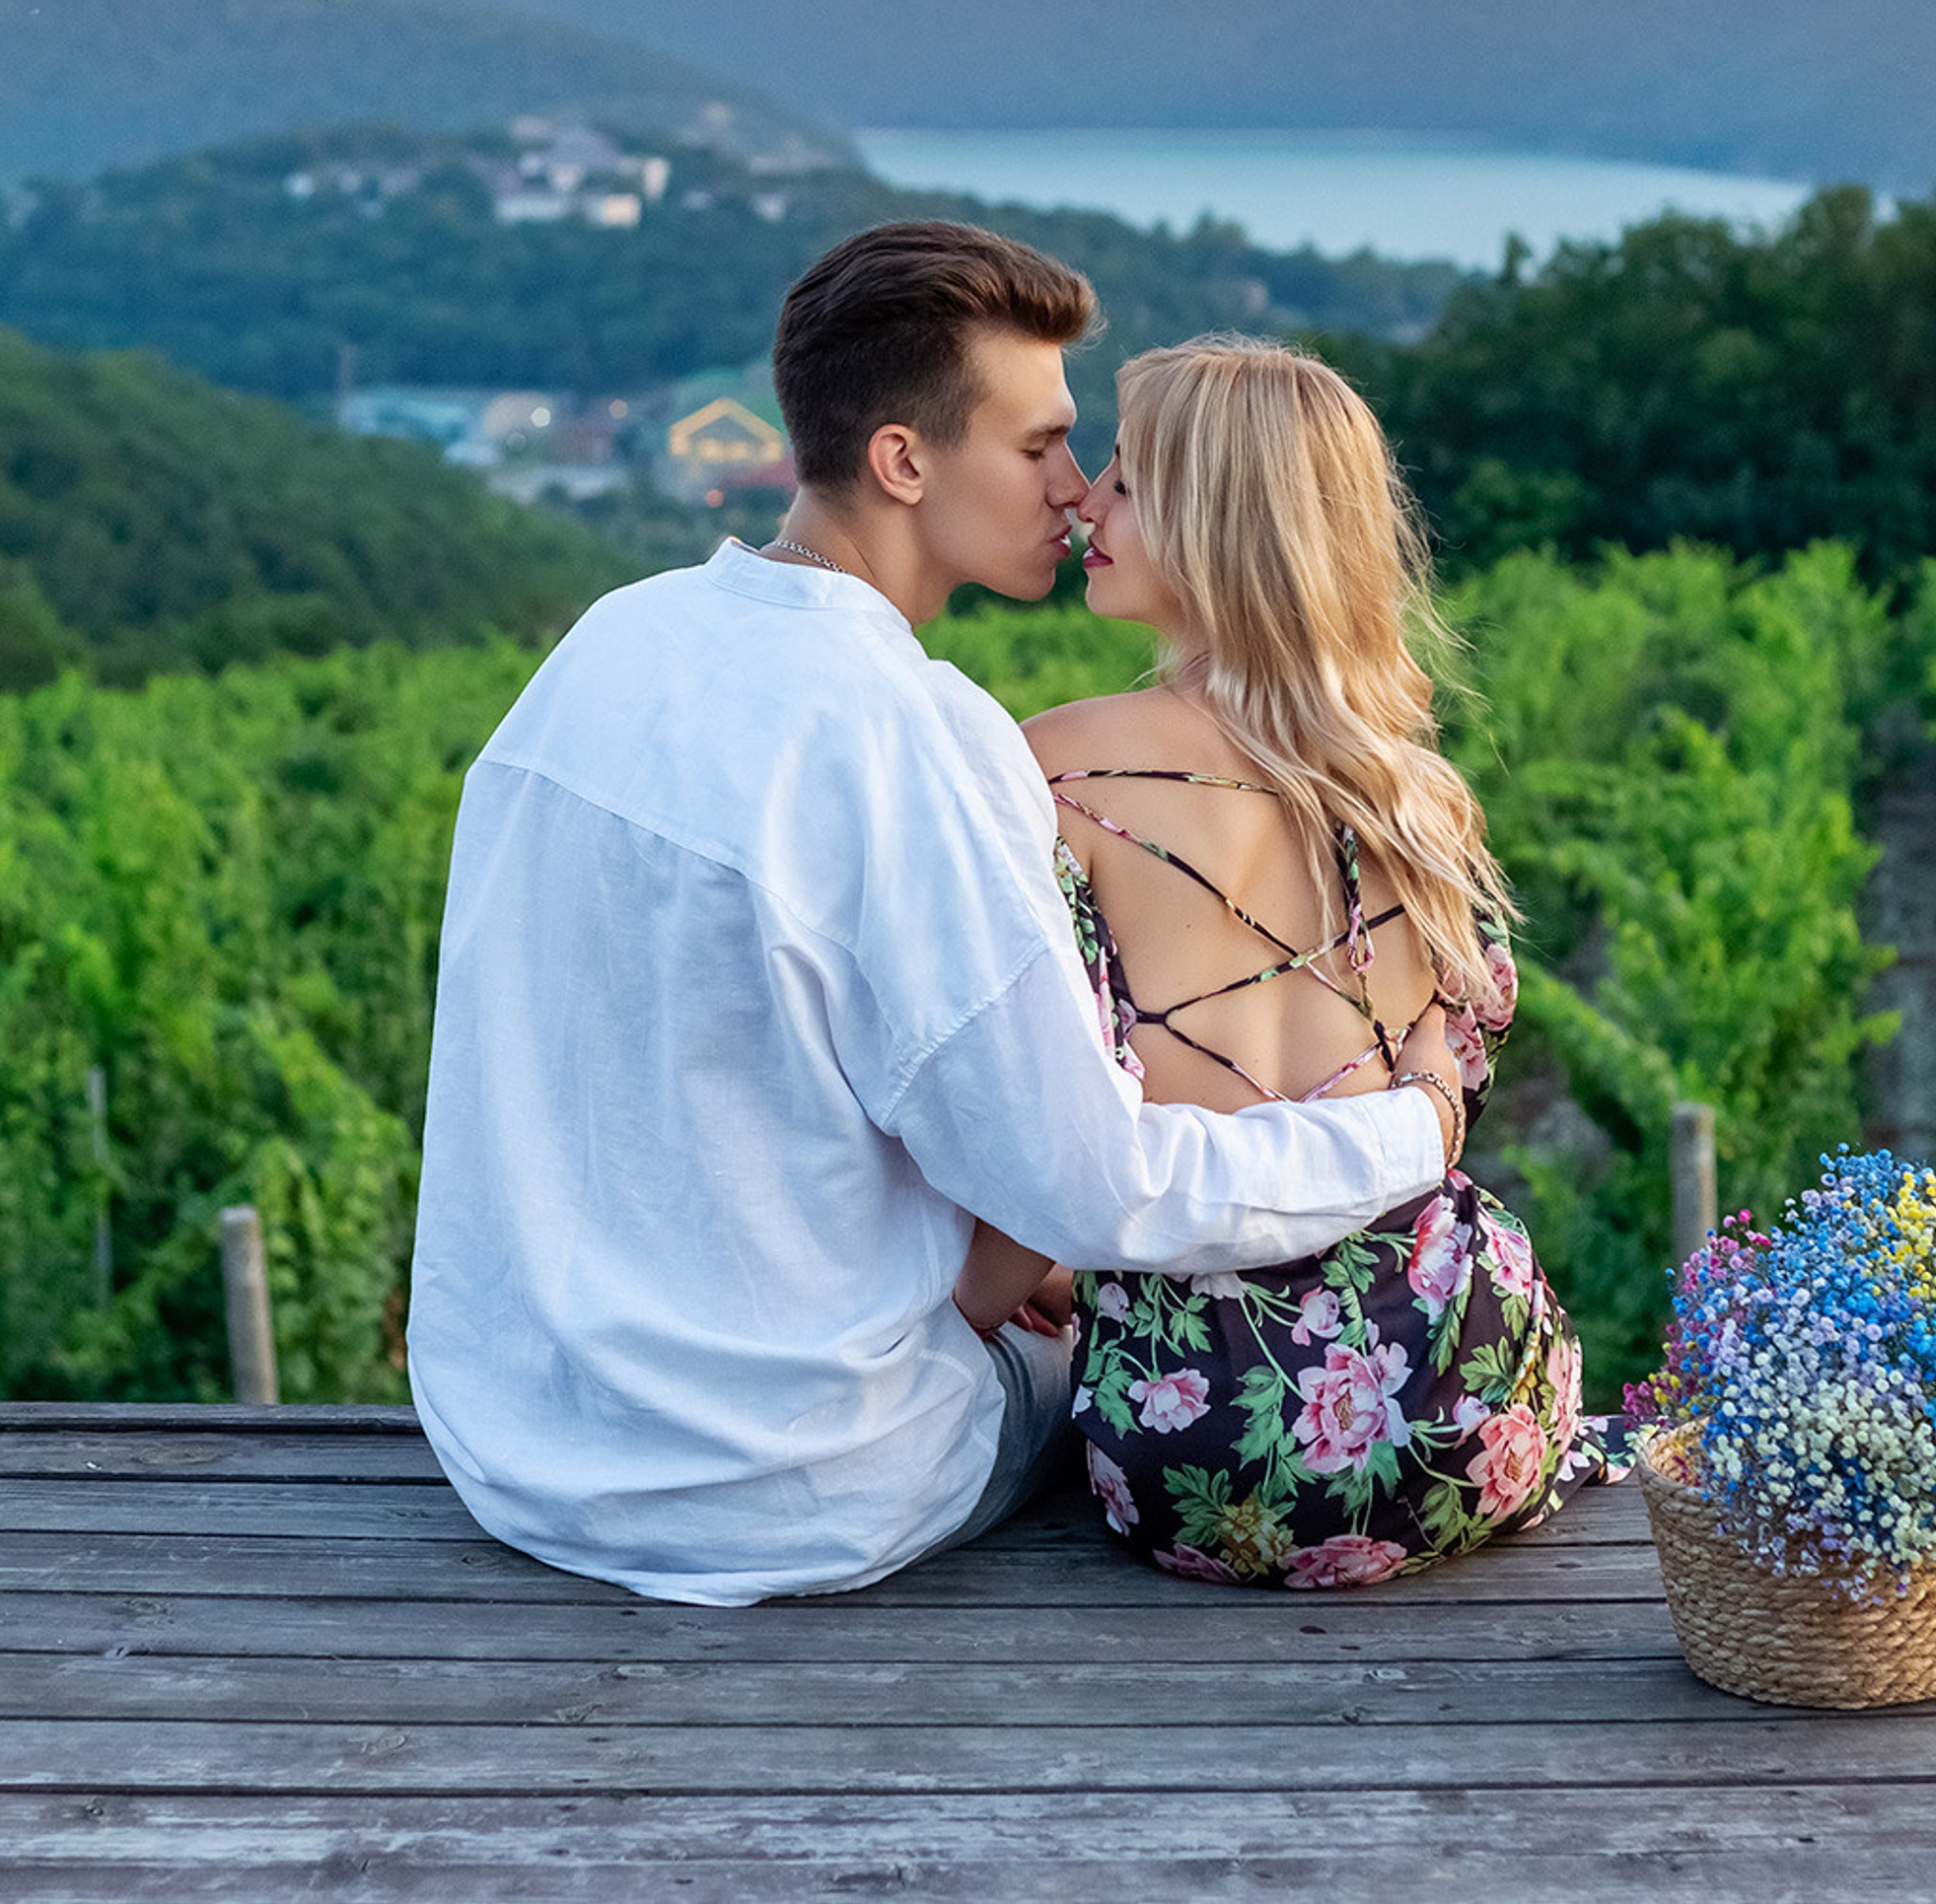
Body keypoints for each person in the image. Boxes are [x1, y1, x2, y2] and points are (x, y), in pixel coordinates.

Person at [407, 223, 1471, 1606]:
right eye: (1039, 447)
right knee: (1140, 1362)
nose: (1076, 488)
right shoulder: (916, 734)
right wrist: (1408, 1128)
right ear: (905, 462)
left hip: (522, 1447)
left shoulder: (605, 646)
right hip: (792, 1489)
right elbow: (1095, 1187)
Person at [955, 335, 1613, 1587]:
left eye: (1131, 482)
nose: (1087, 499)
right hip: (1464, 1398)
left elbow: (1034, 1114)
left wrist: (972, 1307)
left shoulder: (1053, 768)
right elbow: (1430, 1104)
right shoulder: (1412, 792)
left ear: (1222, 524)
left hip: (1193, 1451)